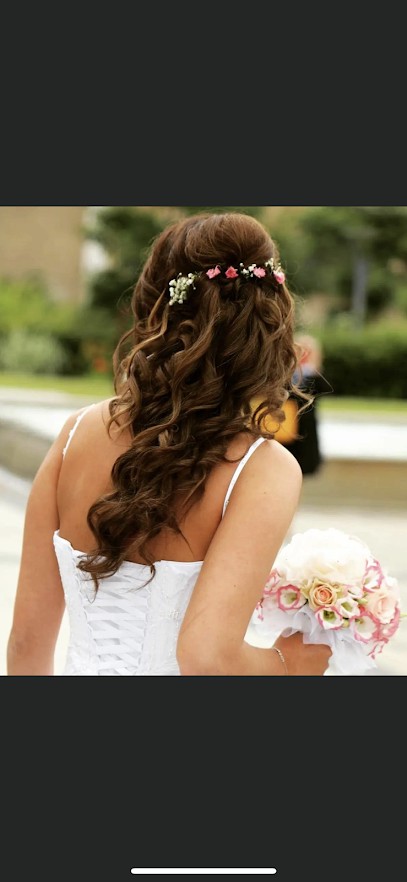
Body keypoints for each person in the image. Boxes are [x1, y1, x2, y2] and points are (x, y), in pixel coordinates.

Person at [6, 212, 331, 676]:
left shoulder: (75, 434)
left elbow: (25, 646)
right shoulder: (262, 468)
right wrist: (288, 663)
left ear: (154, 306)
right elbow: (206, 656)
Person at [282, 334, 331, 476]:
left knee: (304, 459)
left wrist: (313, 369)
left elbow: (325, 389)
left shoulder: (315, 374)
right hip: (288, 422)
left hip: (306, 423)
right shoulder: (285, 374)